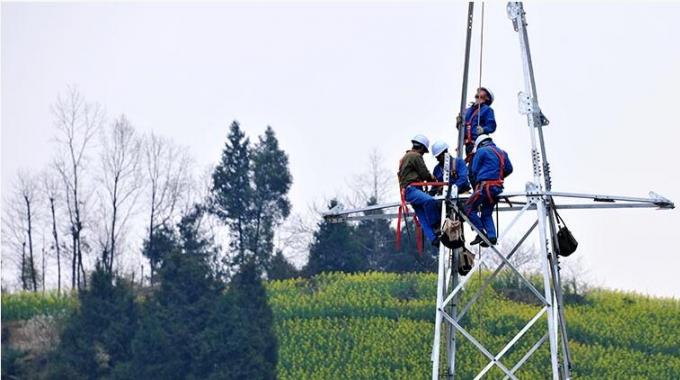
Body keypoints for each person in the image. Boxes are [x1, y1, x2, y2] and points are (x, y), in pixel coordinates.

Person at [464, 134, 513, 247]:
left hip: (484, 188)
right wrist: (497, 176)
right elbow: (509, 169)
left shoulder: (481, 152)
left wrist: (477, 183)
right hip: (497, 189)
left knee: (468, 209)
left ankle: (481, 233)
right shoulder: (502, 152)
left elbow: (473, 170)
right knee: (486, 213)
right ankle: (491, 237)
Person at [398, 134, 440, 247]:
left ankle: (434, 239)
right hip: (412, 190)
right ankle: (436, 225)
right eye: (423, 152)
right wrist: (434, 180)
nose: (422, 154)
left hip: (410, 191)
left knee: (422, 217)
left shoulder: (406, 156)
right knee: (429, 201)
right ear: (421, 148)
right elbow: (424, 173)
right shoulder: (415, 156)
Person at [458, 87, 497, 159]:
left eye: (482, 90)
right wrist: (459, 123)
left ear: (487, 98)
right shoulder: (467, 111)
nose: (479, 90)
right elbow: (462, 127)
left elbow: (492, 126)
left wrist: (483, 129)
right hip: (467, 145)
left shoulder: (487, 110)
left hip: (478, 144)